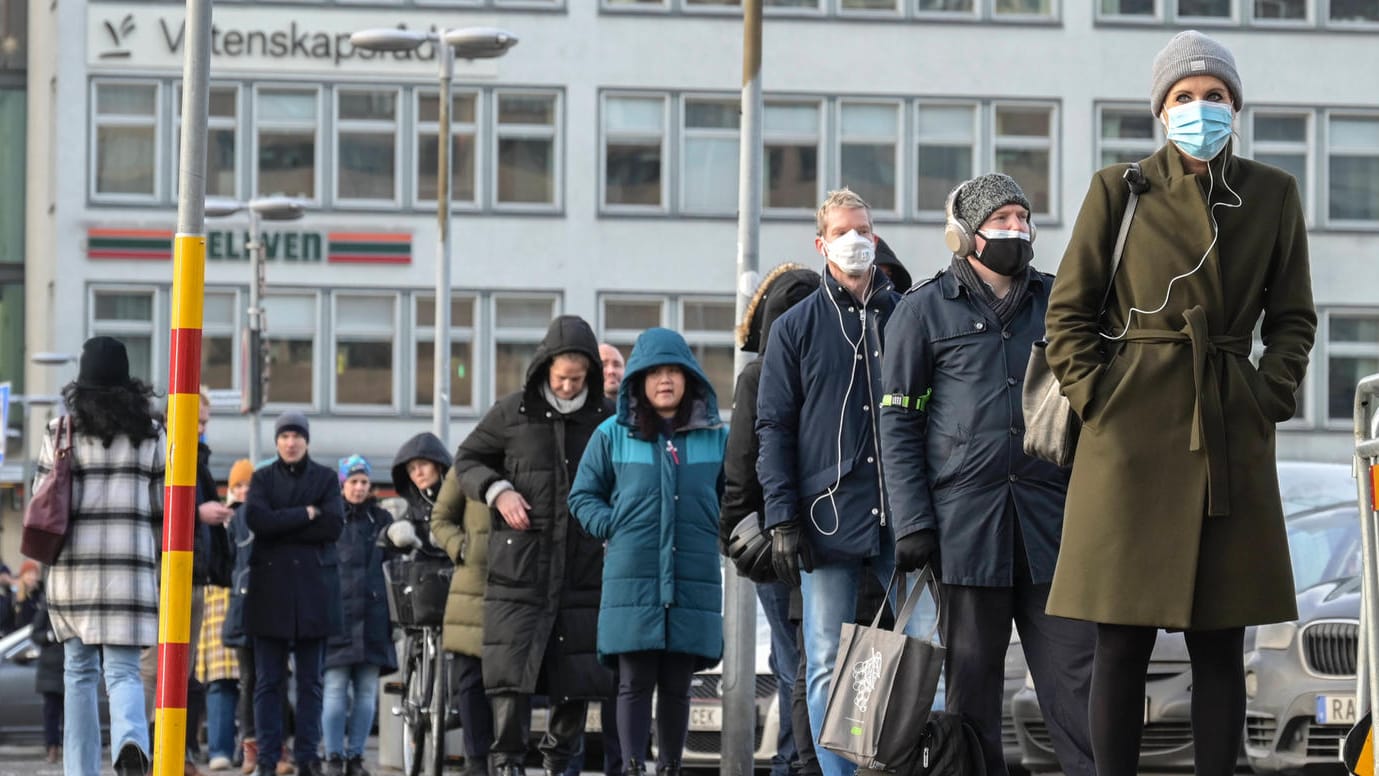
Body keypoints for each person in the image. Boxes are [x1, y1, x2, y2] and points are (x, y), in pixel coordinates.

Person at [1043, 30, 1316, 776]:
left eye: (1215, 96)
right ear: (1160, 111)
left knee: (1220, 640)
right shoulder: (1118, 188)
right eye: (1184, 97)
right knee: (1120, 639)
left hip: (1226, 427)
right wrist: (1100, 398)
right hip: (1127, 438)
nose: (1200, 108)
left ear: (1235, 106)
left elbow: (1292, 316)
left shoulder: (1270, 193)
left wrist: (1266, 394)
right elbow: (1066, 314)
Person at [879, 173, 1095, 776]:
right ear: (969, 235)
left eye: (1023, 220)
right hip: (966, 531)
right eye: (1001, 221)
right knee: (972, 688)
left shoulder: (1059, 302)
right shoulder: (922, 310)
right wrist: (913, 522)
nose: (1016, 231)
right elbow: (897, 425)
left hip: (1054, 528)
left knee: (1078, 681)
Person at [754, 188, 906, 776]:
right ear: (821, 244)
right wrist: (782, 517)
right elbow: (774, 426)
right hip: (827, 516)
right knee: (823, 660)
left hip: (904, 514)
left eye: (864, 229)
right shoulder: (795, 327)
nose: (856, 239)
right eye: (843, 230)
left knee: (928, 651)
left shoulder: (905, 314)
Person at [453, 315, 612, 776]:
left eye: (576, 379)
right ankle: (508, 765)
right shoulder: (511, 412)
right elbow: (467, 459)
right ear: (544, 368)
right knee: (511, 680)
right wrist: (497, 491)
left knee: (575, 679)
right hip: (519, 571)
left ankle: (560, 766)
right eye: (560, 377)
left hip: (583, 569)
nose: (566, 386)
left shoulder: (605, 417)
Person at [569, 327, 729, 776]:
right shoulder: (612, 436)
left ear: (689, 378)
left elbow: (735, 496)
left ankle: (671, 768)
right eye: (654, 372)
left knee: (679, 685)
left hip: (691, 576)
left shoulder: (716, 437)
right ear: (637, 379)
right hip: (632, 577)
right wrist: (612, 526)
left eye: (673, 371)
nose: (664, 380)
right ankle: (634, 767)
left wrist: (718, 531)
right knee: (633, 682)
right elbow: (582, 496)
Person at [41, 336, 165, 776]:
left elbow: (43, 500)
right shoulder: (151, 434)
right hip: (128, 572)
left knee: (77, 673)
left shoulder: (60, 431)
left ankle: (80, 770)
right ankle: (131, 742)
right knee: (124, 671)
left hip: (73, 571)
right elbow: (160, 509)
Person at [720, 262, 817, 776]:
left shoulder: (758, 373)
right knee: (812, 660)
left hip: (768, 536)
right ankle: (799, 761)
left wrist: (733, 531)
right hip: (820, 531)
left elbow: (741, 461)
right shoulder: (826, 358)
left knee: (791, 660)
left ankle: (791, 763)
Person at [244, 412, 345, 776]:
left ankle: (308, 758)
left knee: (311, 684)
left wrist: (281, 522)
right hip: (269, 594)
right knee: (267, 682)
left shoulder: (326, 478)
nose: (290, 442)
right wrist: (306, 513)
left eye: (296, 436)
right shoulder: (261, 479)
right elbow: (256, 520)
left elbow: (333, 525)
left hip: (312, 596)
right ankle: (267, 760)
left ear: (306, 440)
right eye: (284, 436)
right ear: (276, 442)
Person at [144, 389, 233, 776]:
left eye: (205, 423)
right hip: (165, 573)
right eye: (197, 422)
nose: (202, 430)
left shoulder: (197, 459)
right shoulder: (160, 454)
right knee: (154, 664)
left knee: (184, 666)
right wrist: (199, 512)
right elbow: (153, 508)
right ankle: (150, 748)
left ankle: (176, 750)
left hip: (194, 573)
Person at [323, 456, 397, 776]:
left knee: (366, 693)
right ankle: (333, 756)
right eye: (353, 481)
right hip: (336, 616)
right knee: (336, 691)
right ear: (342, 484)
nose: (359, 487)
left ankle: (355, 757)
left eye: (364, 482)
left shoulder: (380, 520)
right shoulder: (329, 519)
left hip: (373, 617)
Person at [430, 467, 495, 776]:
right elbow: (441, 519)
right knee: (470, 678)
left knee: (511, 682)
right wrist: (462, 548)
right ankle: (476, 761)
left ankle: (507, 759)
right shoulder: (469, 464)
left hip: (519, 582)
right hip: (472, 585)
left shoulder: (531, 452)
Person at [222, 458, 278, 776]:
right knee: (248, 681)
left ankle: (275, 747)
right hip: (243, 608)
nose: (244, 491)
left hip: (270, 606)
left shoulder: (264, 515)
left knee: (273, 679)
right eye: (238, 486)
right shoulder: (234, 520)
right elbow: (228, 562)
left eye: (248, 485)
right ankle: (251, 748)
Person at [29, 567, 64, 764]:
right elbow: (35, 633)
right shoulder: (46, 604)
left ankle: (69, 749)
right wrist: (49, 636)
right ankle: (52, 748)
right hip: (50, 670)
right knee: (51, 713)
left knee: (71, 714)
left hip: (68, 667)